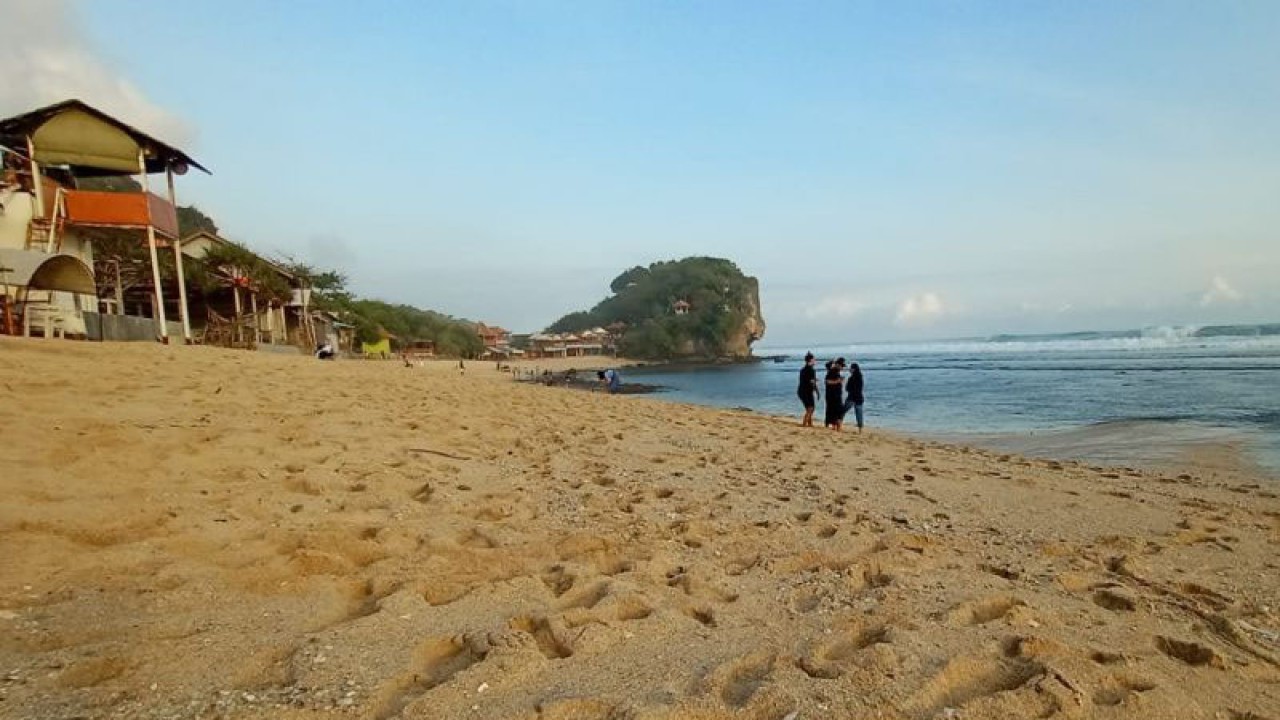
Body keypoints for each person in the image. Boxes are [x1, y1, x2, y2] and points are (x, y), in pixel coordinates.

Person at [796, 352, 819, 427]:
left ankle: (809, 424)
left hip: (801, 391)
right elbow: (812, 382)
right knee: (810, 408)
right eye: (814, 360)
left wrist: (814, 382)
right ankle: (804, 424)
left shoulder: (803, 369)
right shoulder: (811, 370)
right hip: (806, 391)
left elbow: (806, 380)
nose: (815, 361)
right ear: (810, 361)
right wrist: (817, 391)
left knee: (809, 408)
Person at [824, 357, 846, 430]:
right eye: (842, 366)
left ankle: (835, 427)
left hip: (835, 395)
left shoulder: (836, 371)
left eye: (843, 366)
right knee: (837, 411)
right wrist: (838, 381)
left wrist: (839, 381)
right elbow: (827, 381)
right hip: (833, 396)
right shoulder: (832, 371)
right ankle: (836, 428)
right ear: (837, 365)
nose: (842, 368)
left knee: (834, 411)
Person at [843, 362, 865, 432]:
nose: (849, 369)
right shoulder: (860, 377)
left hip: (851, 397)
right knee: (859, 414)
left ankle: (839, 424)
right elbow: (860, 388)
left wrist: (850, 390)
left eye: (851, 368)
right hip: (859, 397)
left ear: (854, 369)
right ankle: (860, 430)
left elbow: (847, 388)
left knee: (843, 411)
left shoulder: (851, 378)